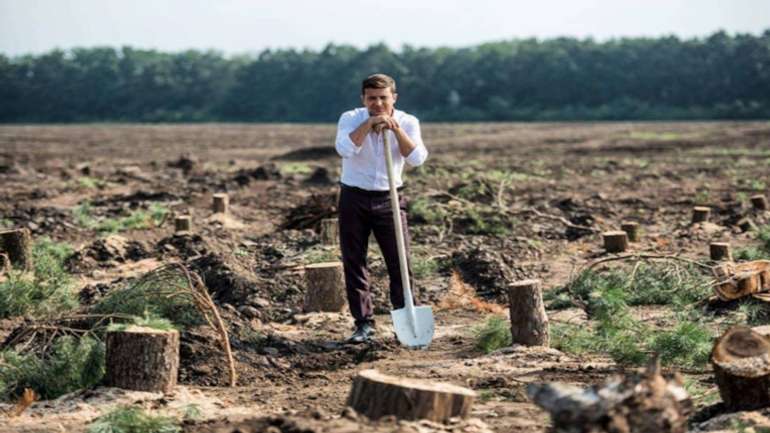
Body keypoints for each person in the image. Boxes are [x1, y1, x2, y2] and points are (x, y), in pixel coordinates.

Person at [334, 73, 429, 343]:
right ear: (363, 99)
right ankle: (364, 323)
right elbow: (344, 149)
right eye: (371, 98)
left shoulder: (409, 121)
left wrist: (395, 129)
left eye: (383, 98)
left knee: (399, 261)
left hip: (390, 197)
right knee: (355, 260)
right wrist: (369, 124)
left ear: (393, 98)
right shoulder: (350, 118)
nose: (377, 103)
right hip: (354, 196)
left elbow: (417, 159)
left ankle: (405, 319)